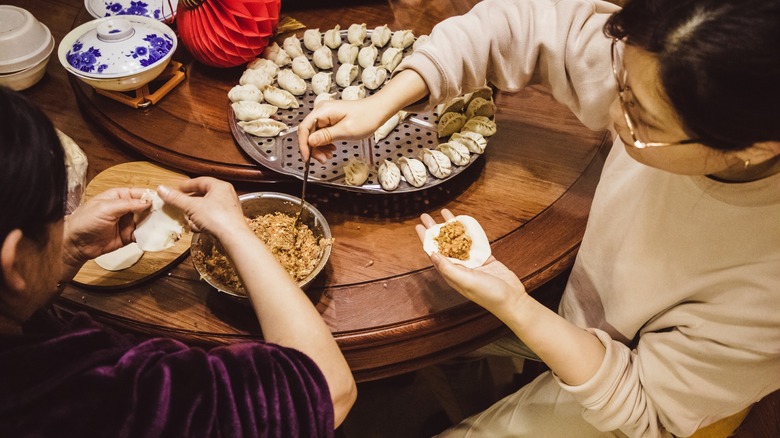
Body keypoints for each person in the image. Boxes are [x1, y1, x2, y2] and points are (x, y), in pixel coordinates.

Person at [297, 0, 780, 436]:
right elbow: (522, 25)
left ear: (756, 149)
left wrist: (516, 307)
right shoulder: (669, 66)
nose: (611, 112)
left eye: (641, 120)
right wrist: (384, 102)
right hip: (570, 293)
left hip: (620, 386)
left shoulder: (765, 290)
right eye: (621, 83)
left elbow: (647, 409)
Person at [0, 86, 356, 437]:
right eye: (56, 216)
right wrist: (234, 230)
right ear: (13, 262)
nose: (62, 225)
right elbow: (328, 389)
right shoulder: (89, 396)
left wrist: (66, 252)